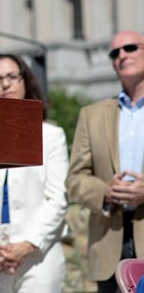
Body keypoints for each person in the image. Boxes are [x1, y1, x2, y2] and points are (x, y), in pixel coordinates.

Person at [0, 54, 68, 292]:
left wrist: (28, 244)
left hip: (39, 255)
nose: (5, 84)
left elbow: (58, 197)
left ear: (25, 81)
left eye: (11, 77)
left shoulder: (51, 136)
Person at [67, 31, 144, 293]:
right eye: (115, 52)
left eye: (130, 48)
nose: (122, 55)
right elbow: (75, 179)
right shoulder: (91, 115)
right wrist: (106, 192)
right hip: (109, 243)